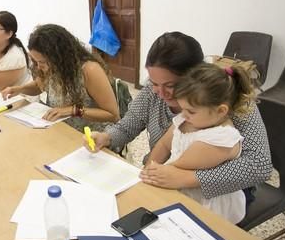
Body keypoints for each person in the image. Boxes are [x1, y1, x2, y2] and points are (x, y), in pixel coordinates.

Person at [85, 31, 272, 206]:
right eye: (154, 83)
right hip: (165, 181)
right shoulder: (153, 92)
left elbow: (259, 166)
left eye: (171, 85)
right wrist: (106, 138)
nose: (161, 93)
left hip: (218, 198)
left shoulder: (227, 100)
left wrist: (187, 178)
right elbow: (127, 127)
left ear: (195, 77)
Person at [144, 63, 257, 223]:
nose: (184, 114)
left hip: (208, 207)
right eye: (183, 108)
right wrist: (148, 168)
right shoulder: (189, 119)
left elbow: (176, 167)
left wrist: (150, 177)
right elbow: (163, 145)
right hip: (178, 188)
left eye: (190, 111)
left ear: (221, 111)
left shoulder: (222, 138)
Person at [1, 24, 119, 132]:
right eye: (35, 61)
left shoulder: (89, 70)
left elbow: (112, 114)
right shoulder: (50, 67)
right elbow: (39, 86)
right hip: (59, 128)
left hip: (91, 136)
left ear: (60, 57)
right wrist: (20, 89)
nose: (38, 66)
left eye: (42, 62)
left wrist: (74, 110)